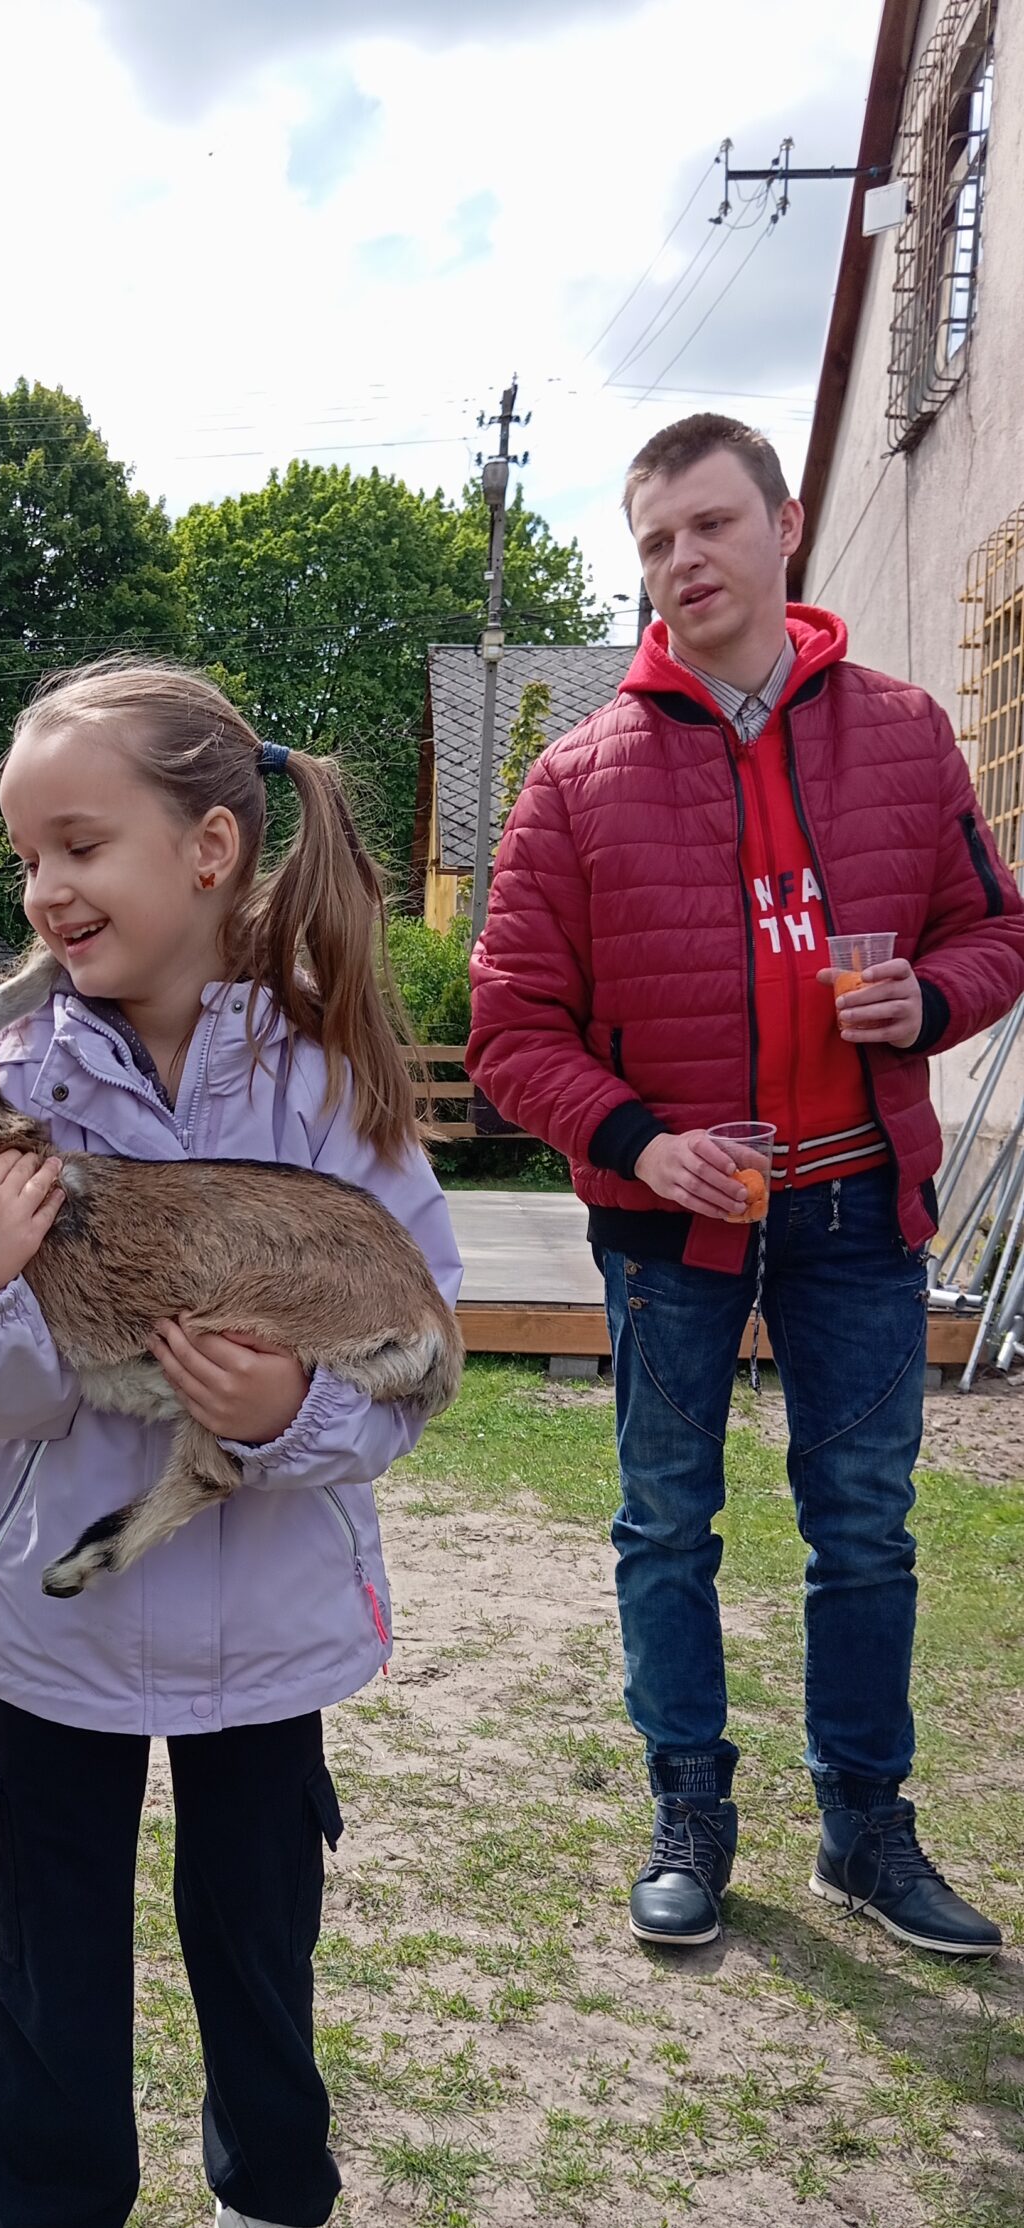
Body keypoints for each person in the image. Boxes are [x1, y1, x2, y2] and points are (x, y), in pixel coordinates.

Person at [0, 658, 463, 2228]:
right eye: (25, 858)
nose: (46, 891)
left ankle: (274, 2217)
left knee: (259, 1934)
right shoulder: (3, 1086)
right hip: (62, 1638)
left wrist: (289, 1413)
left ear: (212, 848)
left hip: (271, 1631)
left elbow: (413, 1362)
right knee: (49, 1948)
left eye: (82, 846)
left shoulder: (329, 1080)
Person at [469, 412, 1024, 1960]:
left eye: (710, 525)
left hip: (856, 1212)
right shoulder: (575, 781)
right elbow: (510, 1032)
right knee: (666, 1525)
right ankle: (690, 1814)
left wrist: (930, 998)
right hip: (671, 1227)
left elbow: (998, 931)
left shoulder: (906, 733)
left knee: (866, 1530)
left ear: (783, 527)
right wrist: (641, 1142)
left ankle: (865, 1826)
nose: (682, 560)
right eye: (654, 541)